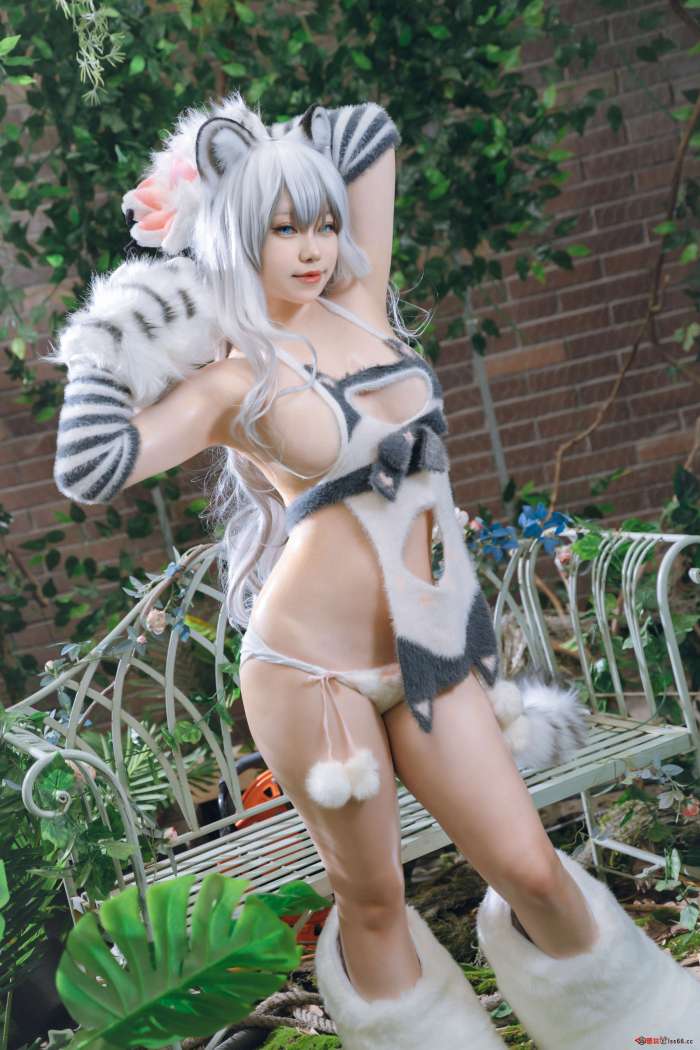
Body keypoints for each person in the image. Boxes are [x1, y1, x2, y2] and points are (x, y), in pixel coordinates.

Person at [48, 92, 700, 1049]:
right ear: (237, 237)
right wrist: (113, 338)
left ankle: (646, 1027)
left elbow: (367, 130)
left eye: (323, 222)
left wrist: (252, 158)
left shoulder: (359, 302)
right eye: (283, 229)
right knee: (377, 896)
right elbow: (88, 468)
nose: (314, 248)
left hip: (427, 644)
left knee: (529, 867)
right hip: (308, 668)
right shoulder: (234, 378)